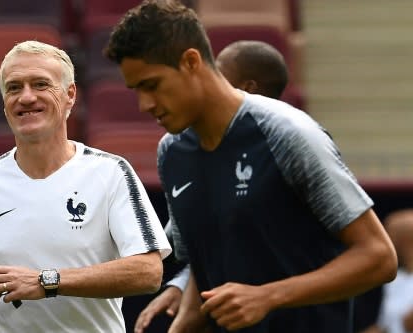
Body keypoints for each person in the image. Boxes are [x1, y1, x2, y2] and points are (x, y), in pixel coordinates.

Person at [104, 1, 398, 332]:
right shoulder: (171, 152)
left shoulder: (287, 134)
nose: (144, 105)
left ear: (190, 61)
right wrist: (184, 322)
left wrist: (268, 297)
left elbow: (379, 257)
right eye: (136, 90)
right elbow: (206, 261)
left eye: (152, 85)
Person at [0, 40, 172, 333]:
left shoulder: (111, 172)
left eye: (40, 84)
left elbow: (148, 271)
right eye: (13, 88)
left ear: (70, 95)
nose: (26, 97)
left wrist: (45, 281)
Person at [133, 39, 290, 333]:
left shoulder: (288, 148)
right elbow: (220, 243)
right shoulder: (195, 150)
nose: (206, 81)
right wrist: (182, 286)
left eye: (219, 73)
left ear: (249, 88)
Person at [360, 209, 413, 333]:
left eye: (390, 235)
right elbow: (385, 327)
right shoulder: (396, 279)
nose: (385, 242)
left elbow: (408, 324)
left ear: (406, 242)